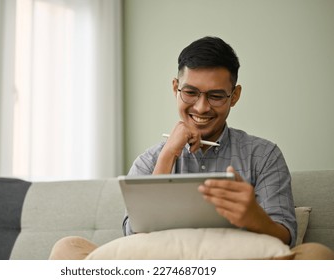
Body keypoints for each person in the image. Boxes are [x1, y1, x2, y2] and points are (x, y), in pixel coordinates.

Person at [49, 36, 334, 260]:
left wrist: (253, 216)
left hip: (239, 264)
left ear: (234, 96)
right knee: (67, 249)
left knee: (317, 256)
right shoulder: (150, 160)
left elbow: (286, 238)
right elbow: (133, 234)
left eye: (216, 96)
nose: (201, 107)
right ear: (176, 88)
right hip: (167, 267)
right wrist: (168, 155)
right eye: (190, 92)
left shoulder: (264, 155)